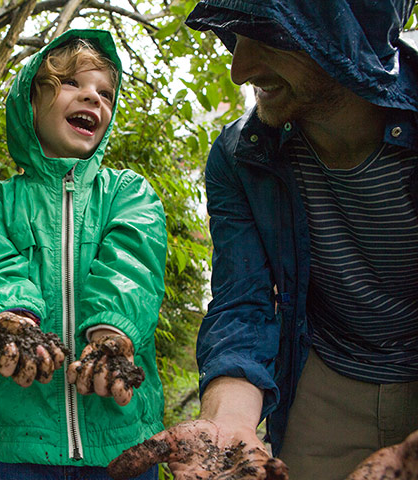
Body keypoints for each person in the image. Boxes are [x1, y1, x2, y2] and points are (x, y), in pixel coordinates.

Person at [108, 1, 418, 480]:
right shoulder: (240, 157)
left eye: (269, 34)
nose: (239, 70)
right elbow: (243, 301)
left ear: (352, 34)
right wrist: (228, 421)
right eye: (236, 37)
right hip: (329, 376)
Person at [0, 29, 168, 480]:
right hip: (19, 443)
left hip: (120, 437)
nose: (93, 97)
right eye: (72, 83)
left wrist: (113, 338)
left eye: (106, 93)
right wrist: (12, 323)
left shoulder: (130, 194)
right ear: (30, 102)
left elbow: (132, 267)